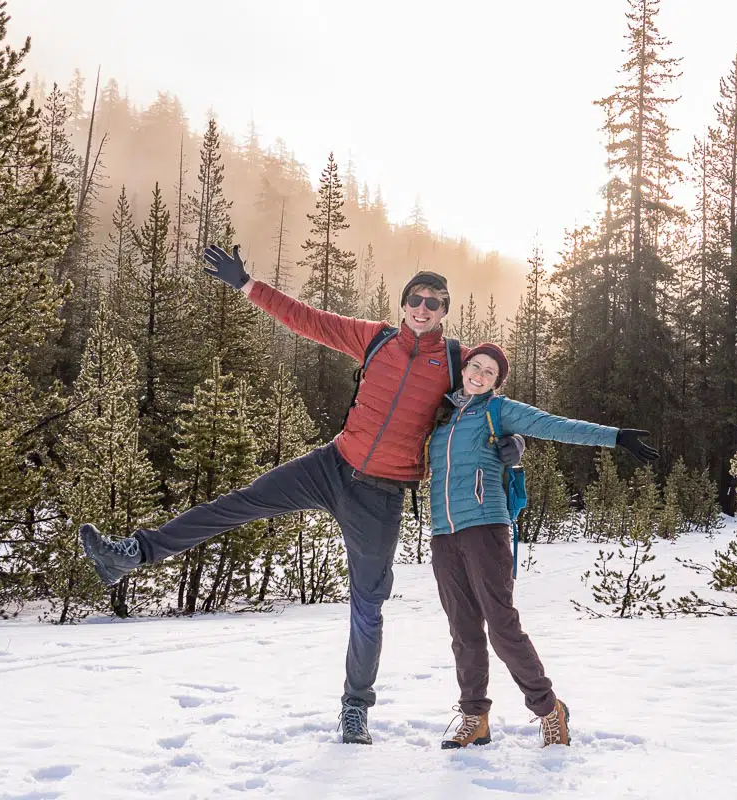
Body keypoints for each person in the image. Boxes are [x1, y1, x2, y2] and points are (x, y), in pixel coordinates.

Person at [78, 244, 525, 746]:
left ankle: (355, 707)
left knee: (367, 603)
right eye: (416, 299)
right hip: (333, 465)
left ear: (445, 311)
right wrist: (246, 285)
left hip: (381, 494)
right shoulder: (374, 340)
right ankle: (130, 554)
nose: (423, 309)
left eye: (434, 303)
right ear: (403, 304)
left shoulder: (455, 360)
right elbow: (306, 319)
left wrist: (512, 444)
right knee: (239, 503)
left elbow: (495, 400)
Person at [426, 343, 657, 749]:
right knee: (462, 630)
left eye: (490, 373)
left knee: (501, 627)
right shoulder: (441, 413)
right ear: (463, 368)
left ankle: (549, 709)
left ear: (497, 382)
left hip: (485, 525)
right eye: (475, 367)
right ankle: (474, 717)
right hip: (443, 533)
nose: (479, 375)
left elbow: (555, 425)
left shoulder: (499, 411)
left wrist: (615, 437)